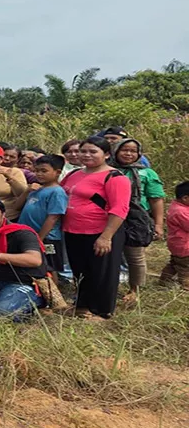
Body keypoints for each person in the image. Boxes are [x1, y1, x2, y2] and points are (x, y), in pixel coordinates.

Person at [60, 137, 131, 320]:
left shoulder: (115, 177)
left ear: (106, 154)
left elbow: (120, 209)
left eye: (93, 152)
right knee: (80, 270)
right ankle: (82, 306)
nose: (86, 155)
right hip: (73, 230)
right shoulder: (74, 174)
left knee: (103, 272)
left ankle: (102, 311)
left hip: (101, 232)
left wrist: (106, 236)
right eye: (83, 151)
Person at [111, 138, 165, 302]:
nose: (128, 154)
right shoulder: (107, 169)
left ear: (139, 154)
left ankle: (134, 290)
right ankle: (108, 286)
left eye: (133, 151)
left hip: (136, 218)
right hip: (110, 216)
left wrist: (158, 224)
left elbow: (156, 199)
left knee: (135, 255)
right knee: (108, 253)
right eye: (124, 150)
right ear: (116, 151)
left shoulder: (147, 173)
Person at [17, 155, 69, 278]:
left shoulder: (57, 192)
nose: (39, 174)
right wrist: (27, 191)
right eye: (36, 171)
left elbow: (53, 217)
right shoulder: (36, 189)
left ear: (57, 172)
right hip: (28, 233)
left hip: (47, 237)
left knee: (49, 266)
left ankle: (54, 294)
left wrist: (39, 238)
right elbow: (16, 206)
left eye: (44, 171)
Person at [160, 181, 189, 290]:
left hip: (177, 244)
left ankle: (165, 279)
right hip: (184, 245)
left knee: (175, 263)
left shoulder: (177, 206)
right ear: (185, 198)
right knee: (185, 267)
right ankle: (186, 285)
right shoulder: (180, 212)